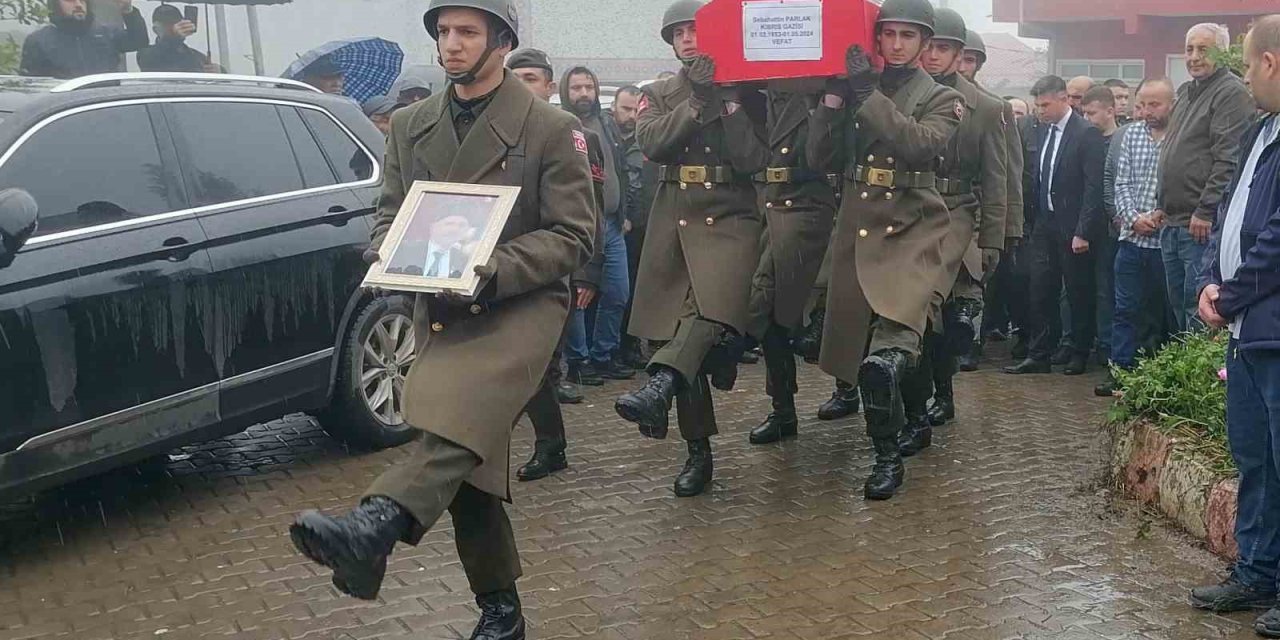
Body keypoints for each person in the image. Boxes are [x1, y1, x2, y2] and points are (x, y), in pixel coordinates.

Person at [288, 3, 595, 639]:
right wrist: (385, 249)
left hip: (520, 304)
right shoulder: (411, 123)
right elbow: (390, 209)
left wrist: (493, 265)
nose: (450, 46)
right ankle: (500, 607)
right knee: (467, 455)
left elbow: (573, 236)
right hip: (440, 307)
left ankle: (375, 522)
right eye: (443, 32)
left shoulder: (549, 126)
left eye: (467, 33)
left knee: (456, 426)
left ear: (502, 43)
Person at [807, 0, 963, 500]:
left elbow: (920, 145)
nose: (895, 44)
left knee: (892, 347)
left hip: (914, 226)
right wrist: (833, 101)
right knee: (864, 352)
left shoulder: (941, 96)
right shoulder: (857, 88)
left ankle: (886, 457)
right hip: (859, 224)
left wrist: (867, 94)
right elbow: (819, 158)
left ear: (924, 43)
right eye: (888, 34)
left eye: (907, 36)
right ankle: (906, 424)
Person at [615, 0, 768, 498]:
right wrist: (696, 103)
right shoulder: (656, 93)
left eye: (694, 30)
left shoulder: (748, 91)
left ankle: (657, 386)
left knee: (706, 316)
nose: (686, 39)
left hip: (732, 219)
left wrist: (727, 103)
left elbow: (752, 160)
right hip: (675, 219)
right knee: (683, 344)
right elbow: (654, 145)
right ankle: (698, 451)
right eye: (678, 33)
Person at [1192, 16, 1280, 637]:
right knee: (1256, 459)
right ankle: (1257, 573)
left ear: (1271, 63)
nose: (1244, 76)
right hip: (1246, 328)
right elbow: (1228, 209)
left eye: (1247, 65)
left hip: (1268, 324)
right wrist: (1207, 278)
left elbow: (1277, 240)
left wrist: (1232, 294)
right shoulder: (1261, 129)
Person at [505, 46, 607, 476]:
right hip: (505, 270)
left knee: (540, 365)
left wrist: (587, 274)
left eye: (532, 78)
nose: (523, 86)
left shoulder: (574, 136)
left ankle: (551, 446)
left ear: (549, 86)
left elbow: (591, 213)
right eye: (517, 77)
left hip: (556, 271)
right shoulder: (500, 133)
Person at [911, 8, 1006, 439]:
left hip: (958, 212)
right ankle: (919, 398)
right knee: (919, 315)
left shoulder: (985, 107)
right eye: (928, 46)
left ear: (959, 54)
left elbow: (997, 177)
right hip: (910, 211)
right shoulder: (903, 96)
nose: (932, 56)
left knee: (943, 314)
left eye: (943, 48)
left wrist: (996, 238)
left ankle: (943, 393)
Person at [742, 80, 839, 445]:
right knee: (771, 315)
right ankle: (782, 409)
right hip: (763, 205)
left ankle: (850, 387)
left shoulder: (822, 89)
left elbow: (822, 155)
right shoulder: (752, 96)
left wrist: (823, 101)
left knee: (815, 308)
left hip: (808, 205)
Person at [1004, 75, 1106, 377]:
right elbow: (1038, 175)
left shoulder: (1086, 134)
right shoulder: (1043, 131)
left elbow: (1094, 187)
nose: (1040, 111)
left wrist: (1083, 231)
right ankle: (1040, 354)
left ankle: (1079, 352)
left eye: (1045, 104)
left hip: (1073, 228)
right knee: (1040, 290)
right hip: (1044, 225)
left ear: (1063, 98)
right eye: (1037, 105)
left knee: (1077, 293)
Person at [1157, 23, 1255, 334]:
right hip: (1172, 220)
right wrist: (1162, 203)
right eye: (1189, 49)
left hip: (1199, 225)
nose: (1194, 57)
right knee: (1178, 307)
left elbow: (1228, 158)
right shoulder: (1186, 92)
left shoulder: (1231, 92)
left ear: (1223, 54)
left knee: (1198, 310)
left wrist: (1206, 209)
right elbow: (1176, 151)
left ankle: (1201, 381)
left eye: (1203, 49)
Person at [1094, 78, 1174, 397]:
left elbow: (1185, 179)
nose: (1145, 111)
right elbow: (1120, 182)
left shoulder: (1180, 138)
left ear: (1172, 104)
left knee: (1165, 313)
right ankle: (1121, 371)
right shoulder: (1130, 136)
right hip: (1131, 240)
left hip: (1166, 241)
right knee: (1125, 308)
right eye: (1141, 104)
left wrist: (1159, 213)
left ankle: (1163, 376)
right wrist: (1133, 219)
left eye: (1154, 104)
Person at [561, 65, 635, 383]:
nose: (584, 94)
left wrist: (624, 212)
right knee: (577, 295)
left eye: (589, 87)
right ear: (566, 91)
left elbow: (618, 170)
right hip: (579, 224)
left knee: (618, 292)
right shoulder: (561, 127)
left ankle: (605, 354)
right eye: (576, 88)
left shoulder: (606, 124)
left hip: (613, 225)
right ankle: (579, 361)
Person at [614, 85, 656, 371]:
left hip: (646, 225)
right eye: (625, 109)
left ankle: (633, 344)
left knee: (641, 288)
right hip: (622, 225)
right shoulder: (609, 139)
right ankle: (620, 347)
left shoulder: (648, 140)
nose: (630, 115)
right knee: (619, 291)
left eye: (635, 110)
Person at [1081, 86, 1121, 368]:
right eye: (1084, 113)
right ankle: (1100, 343)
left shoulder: (1124, 139)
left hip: (1118, 227)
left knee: (1114, 290)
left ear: (1110, 110)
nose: (1087, 118)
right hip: (1092, 230)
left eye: (1092, 112)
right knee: (1098, 290)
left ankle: (1112, 349)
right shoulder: (1085, 140)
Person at [20, 0, 149, 79]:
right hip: (63, 114)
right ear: (55, 5)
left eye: (82, 0)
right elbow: (32, 86)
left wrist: (128, 10)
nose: (78, 5)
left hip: (104, 108)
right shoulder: (39, 41)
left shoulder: (106, 33)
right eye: (70, 0)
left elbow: (139, 41)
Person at [137, 4, 202, 73]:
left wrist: (211, 72)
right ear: (156, 30)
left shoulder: (197, 56)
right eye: (167, 24)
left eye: (176, 23)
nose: (173, 28)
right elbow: (152, 61)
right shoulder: (146, 54)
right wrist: (174, 38)